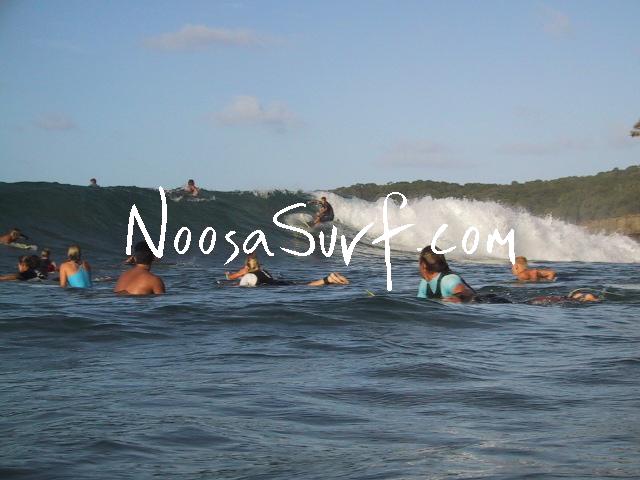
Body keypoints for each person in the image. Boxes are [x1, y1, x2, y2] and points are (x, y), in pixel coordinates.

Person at [229, 254, 349, 287]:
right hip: (279, 282)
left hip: (278, 286)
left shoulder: (249, 275)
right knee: (306, 284)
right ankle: (331, 279)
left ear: (248, 266)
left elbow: (244, 284)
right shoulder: (264, 271)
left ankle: (329, 279)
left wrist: (232, 284)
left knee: (307, 285)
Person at [525, 290, 600, 305]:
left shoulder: (579, 295)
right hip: (562, 299)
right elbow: (597, 301)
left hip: (559, 298)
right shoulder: (587, 296)